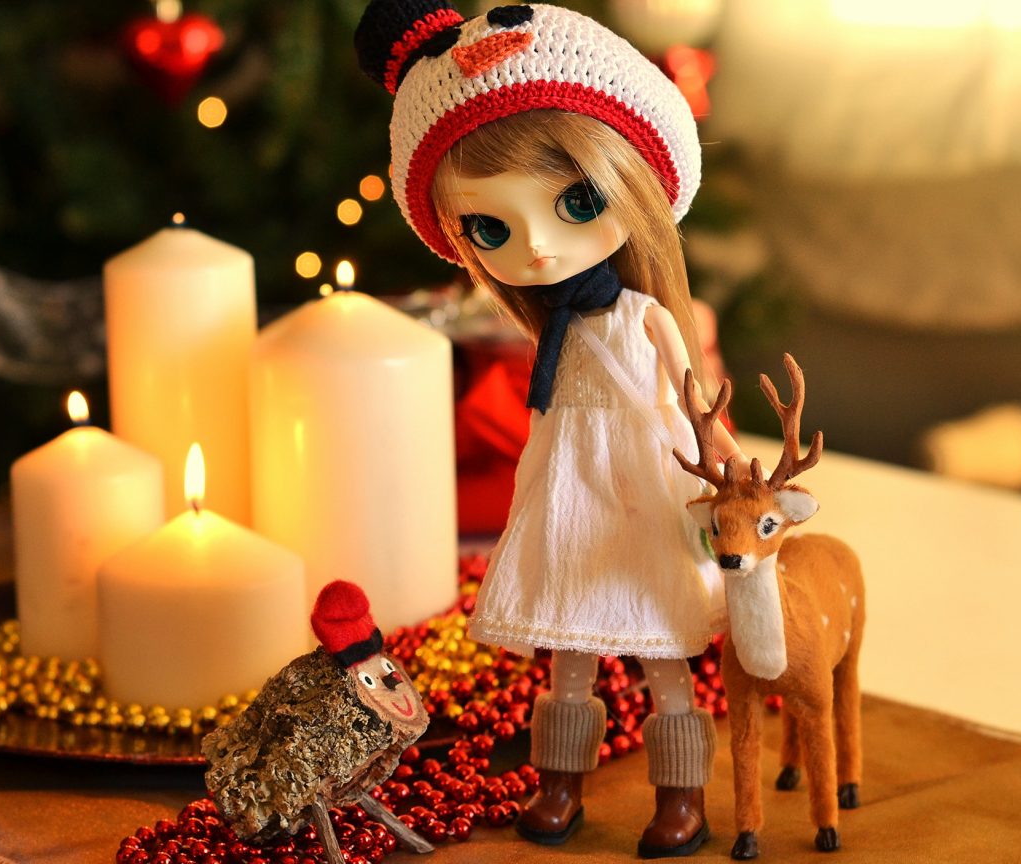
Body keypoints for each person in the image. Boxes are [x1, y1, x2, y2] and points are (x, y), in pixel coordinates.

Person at [355, 2, 747, 857]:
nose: (535, 250)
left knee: (662, 651)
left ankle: (681, 798)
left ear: (631, 182)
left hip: (645, 491)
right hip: (569, 495)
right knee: (568, 654)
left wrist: (727, 462)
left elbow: (693, 399)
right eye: (491, 229)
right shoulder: (547, 329)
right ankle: (559, 784)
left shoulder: (644, 317)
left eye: (576, 201)